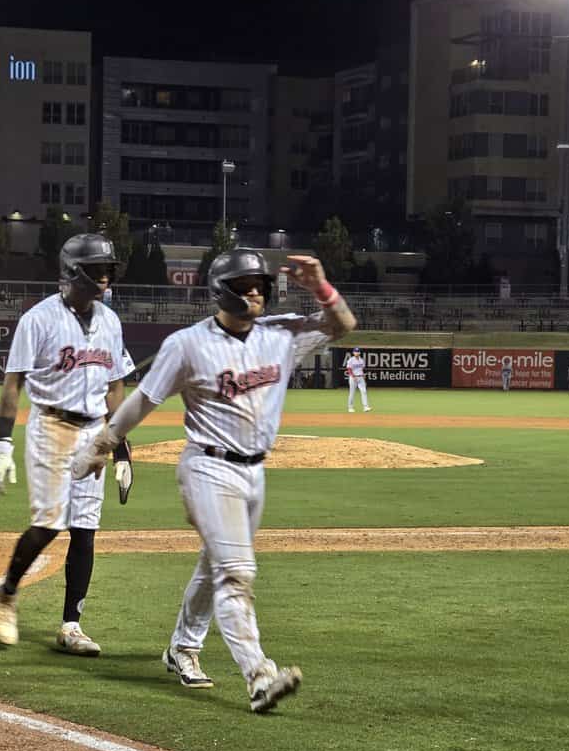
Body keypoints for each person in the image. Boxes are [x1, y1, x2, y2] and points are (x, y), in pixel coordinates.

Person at [72, 251, 357, 713]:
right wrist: (103, 444)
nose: (256, 292)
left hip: (255, 472)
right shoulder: (188, 344)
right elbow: (145, 400)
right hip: (208, 468)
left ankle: (182, 647)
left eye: (260, 283)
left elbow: (342, 325)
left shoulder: (280, 334)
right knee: (236, 572)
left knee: (215, 563)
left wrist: (321, 286)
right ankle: (260, 676)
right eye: (245, 284)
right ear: (222, 289)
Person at [0, 233, 135, 655]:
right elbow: (13, 383)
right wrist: (1, 444)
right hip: (52, 426)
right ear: (73, 273)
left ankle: (71, 625)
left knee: (85, 528)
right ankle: (6, 593)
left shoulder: (110, 320)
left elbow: (115, 385)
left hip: (95, 433)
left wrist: (120, 446)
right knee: (50, 523)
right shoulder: (39, 319)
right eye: (98, 270)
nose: (106, 279)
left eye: (108, 270)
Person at [345, 346, 370, 412]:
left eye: (358, 351)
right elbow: (349, 369)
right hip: (353, 378)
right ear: (353, 352)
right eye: (356, 352)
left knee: (364, 391)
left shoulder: (361, 360)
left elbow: (361, 369)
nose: (357, 353)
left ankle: (365, 407)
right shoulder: (351, 360)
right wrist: (353, 376)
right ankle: (350, 407)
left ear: (359, 353)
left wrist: (363, 375)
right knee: (352, 393)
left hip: (360, 377)